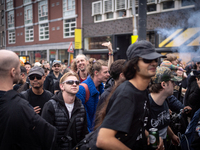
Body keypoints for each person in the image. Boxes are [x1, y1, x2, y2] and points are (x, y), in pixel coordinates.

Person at [96, 40, 165, 150]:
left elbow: (136, 123)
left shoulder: (142, 90)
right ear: (133, 65)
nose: (153, 63)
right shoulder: (127, 94)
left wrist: (150, 136)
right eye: (147, 60)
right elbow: (104, 139)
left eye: (155, 59)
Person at [0, 50, 57, 150]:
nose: (35, 79)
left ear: (44, 78)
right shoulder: (20, 106)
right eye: (19, 68)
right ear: (13, 72)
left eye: (38, 77)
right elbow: (49, 136)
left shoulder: (20, 103)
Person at [42, 72, 88, 150]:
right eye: (70, 82)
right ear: (62, 86)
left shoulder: (80, 107)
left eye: (77, 82)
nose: (74, 84)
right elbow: (45, 135)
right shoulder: (50, 106)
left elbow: (83, 134)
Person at [148, 67, 181, 149]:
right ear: (163, 85)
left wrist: (172, 135)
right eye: (172, 82)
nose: (174, 84)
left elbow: (162, 122)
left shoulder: (164, 100)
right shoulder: (147, 104)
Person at [76, 59, 110, 132]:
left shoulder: (101, 89)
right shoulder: (82, 89)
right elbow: (80, 117)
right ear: (96, 73)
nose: (108, 75)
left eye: (108, 72)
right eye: (105, 72)